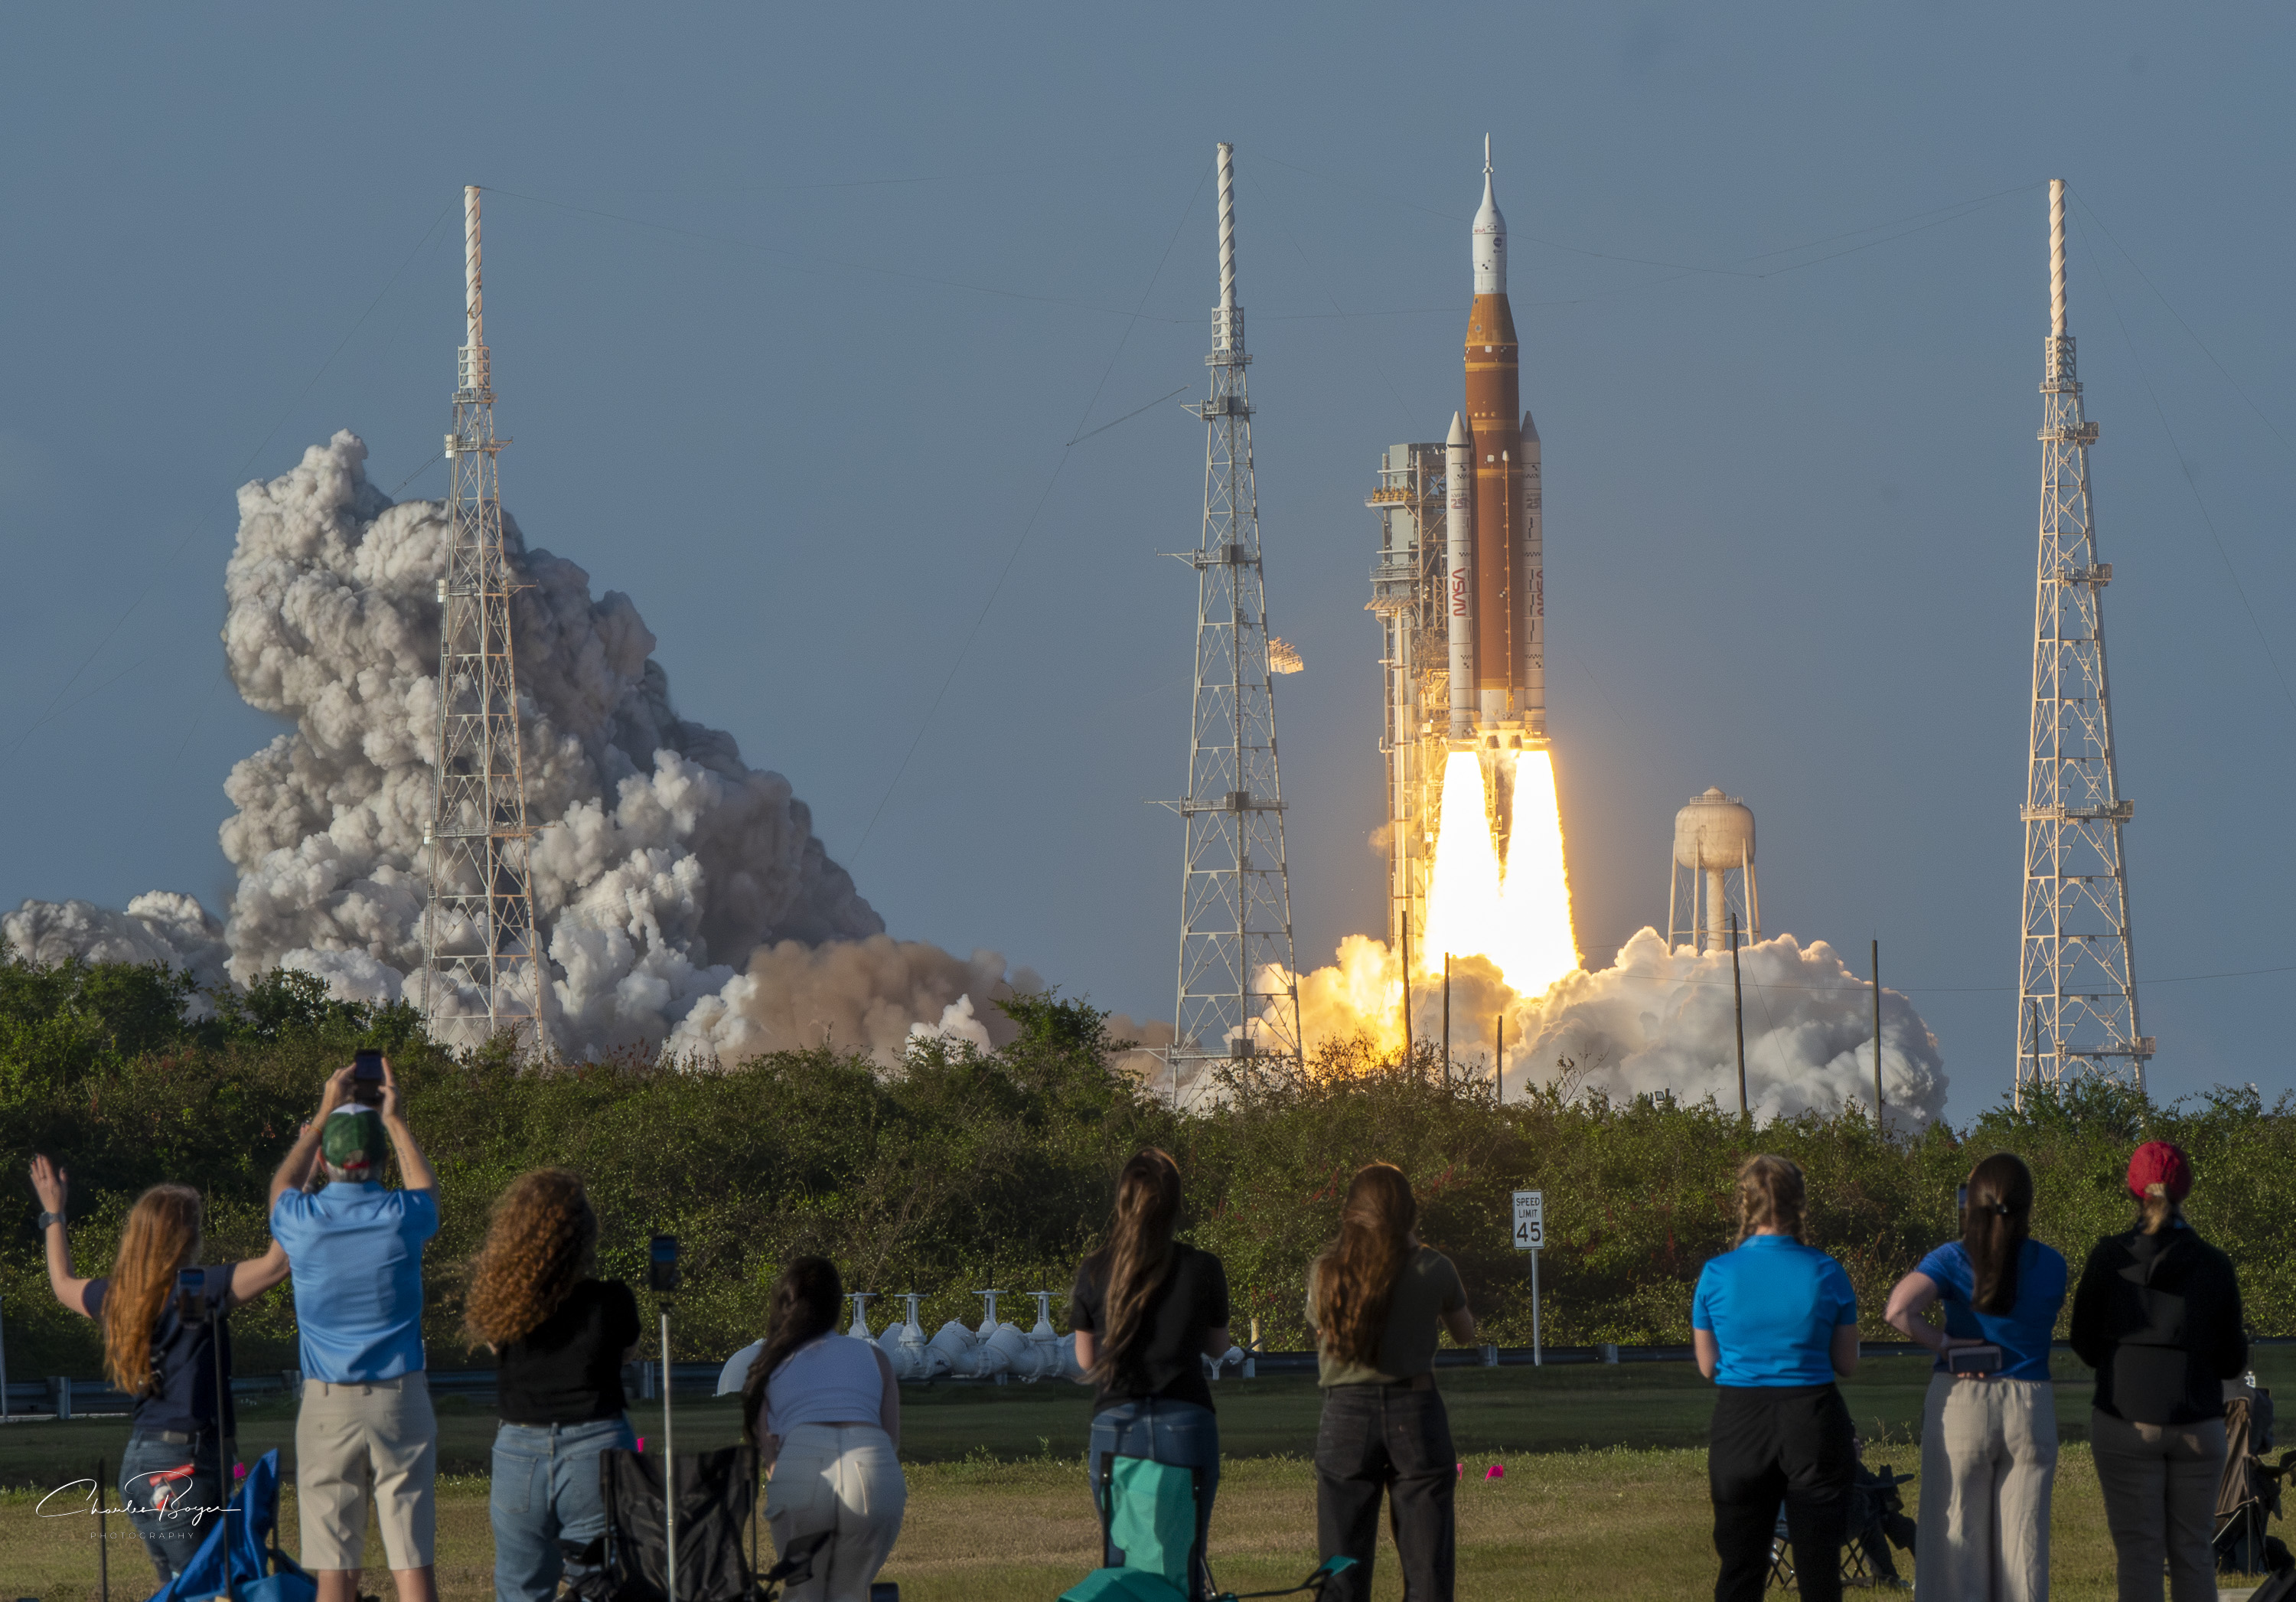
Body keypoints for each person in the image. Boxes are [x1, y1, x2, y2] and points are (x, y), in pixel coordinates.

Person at [28, 1155, 290, 1581]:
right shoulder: (200, 1289)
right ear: (187, 1235)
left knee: (180, 1587)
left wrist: (53, 1212)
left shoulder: (118, 1297)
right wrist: (296, 1181)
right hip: (183, 1466)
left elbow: (61, 1284)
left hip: (141, 1463)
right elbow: (280, 1262)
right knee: (207, 1586)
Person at [267, 1057, 441, 1602]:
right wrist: (396, 1119)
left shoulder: (302, 1220)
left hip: (326, 1402)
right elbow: (426, 1190)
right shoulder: (401, 1215)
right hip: (400, 1395)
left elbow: (281, 1187)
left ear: (324, 1159)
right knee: (412, 1563)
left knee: (334, 1572)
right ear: (382, 1159)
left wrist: (323, 1110)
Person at [1883, 1152, 2066, 1601]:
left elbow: (1898, 1311)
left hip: (1964, 1397)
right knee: (2024, 1553)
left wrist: (1946, 1343)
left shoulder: (1950, 1259)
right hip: (2030, 1404)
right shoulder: (2053, 1264)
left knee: (1956, 1544)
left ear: (1973, 1202)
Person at [2069, 1140, 2247, 1602]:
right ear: (2185, 1188)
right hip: (2200, 1425)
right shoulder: (2214, 1263)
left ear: (2133, 1189)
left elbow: (2084, 1343)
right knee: (2194, 1554)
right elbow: (2232, 1360)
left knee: (2140, 1555)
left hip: (2125, 1420)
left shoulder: (2109, 1258)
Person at [464, 1169, 640, 1602]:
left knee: (521, 1586)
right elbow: (625, 1355)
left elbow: (493, 1345)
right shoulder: (611, 1299)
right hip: (596, 1447)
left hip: (518, 1452)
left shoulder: (503, 1304)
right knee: (599, 1585)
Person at [1692, 1153, 1861, 1602]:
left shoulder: (1716, 1274)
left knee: (1741, 1569)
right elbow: (1846, 1362)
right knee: (1819, 1570)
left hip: (1741, 1421)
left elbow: (1708, 1366)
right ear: (1799, 1204)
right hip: (1812, 1417)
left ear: (1744, 1204)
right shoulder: (1827, 1271)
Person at [1304, 1162, 1476, 1602]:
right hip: (1414, 1411)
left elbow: (1324, 1333)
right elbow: (1465, 1332)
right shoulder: (1433, 1268)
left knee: (1341, 1571)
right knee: (1428, 1572)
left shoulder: (1327, 1271)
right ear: (1409, 1213)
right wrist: (1412, 1244)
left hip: (1345, 1415)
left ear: (1351, 1214)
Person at [1068, 1148, 1231, 1600]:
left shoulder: (1097, 1269)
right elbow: (1218, 1347)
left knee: (1123, 1566)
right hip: (1187, 1420)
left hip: (1117, 1426)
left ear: (1122, 1201)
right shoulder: (1203, 1267)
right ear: (1176, 1203)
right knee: (1185, 1557)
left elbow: (1087, 1361)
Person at [739, 1255, 905, 1602]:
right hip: (873, 1467)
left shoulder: (767, 1362)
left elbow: (768, 1450)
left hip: (803, 1463)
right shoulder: (876, 1357)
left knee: (803, 1593)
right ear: (836, 1306)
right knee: (851, 1593)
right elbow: (891, 1439)